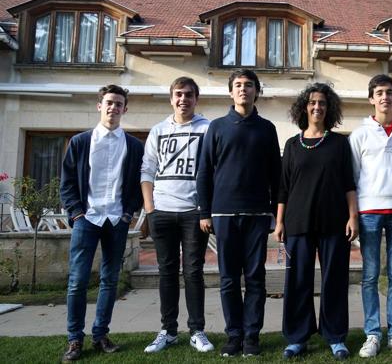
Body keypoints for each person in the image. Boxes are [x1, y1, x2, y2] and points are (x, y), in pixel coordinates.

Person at [196, 69, 281, 357]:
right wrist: (204, 211)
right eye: (238, 85)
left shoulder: (267, 128)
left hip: (257, 215)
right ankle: (234, 336)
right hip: (223, 215)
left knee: (255, 277)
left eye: (248, 85)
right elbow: (204, 171)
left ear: (257, 91)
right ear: (231, 92)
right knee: (229, 279)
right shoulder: (217, 127)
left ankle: (252, 336)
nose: (243, 89)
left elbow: (276, 175)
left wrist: (274, 214)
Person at [273, 83, 359, 360]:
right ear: (304, 107)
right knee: (297, 282)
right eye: (312, 102)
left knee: (334, 280)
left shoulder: (338, 143)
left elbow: (349, 184)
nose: (317, 107)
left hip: (334, 222)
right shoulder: (292, 145)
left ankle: (335, 337)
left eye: (322, 103)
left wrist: (352, 217)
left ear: (329, 107)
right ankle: (297, 338)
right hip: (298, 223)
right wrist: (279, 222)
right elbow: (283, 188)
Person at [60, 85, 144, 361]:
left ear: (125, 109)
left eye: (119, 104)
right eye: (109, 102)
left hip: (116, 220)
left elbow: (136, 185)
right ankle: (74, 339)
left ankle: (100, 335)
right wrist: (76, 213)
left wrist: (128, 213)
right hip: (87, 219)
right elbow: (68, 183)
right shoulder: (80, 142)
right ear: (99, 106)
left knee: (110, 281)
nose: (113, 108)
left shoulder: (134, 146)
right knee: (78, 281)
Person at [140, 77, 213, 353]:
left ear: (196, 99)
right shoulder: (158, 130)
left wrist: (205, 209)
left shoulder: (208, 129)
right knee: (166, 272)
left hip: (194, 213)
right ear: (171, 98)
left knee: (193, 272)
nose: (183, 99)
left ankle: (197, 330)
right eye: (179, 94)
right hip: (162, 212)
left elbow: (213, 172)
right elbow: (147, 170)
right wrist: (150, 209)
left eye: (189, 95)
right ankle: (168, 330)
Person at [349, 74, 392, 358]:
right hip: (369, 213)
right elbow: (353, 176)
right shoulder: (359, 134)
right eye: (379, 93)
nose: (385, 97)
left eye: (389, 92)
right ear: (371, 99)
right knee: (370, 275)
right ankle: (373, 334)